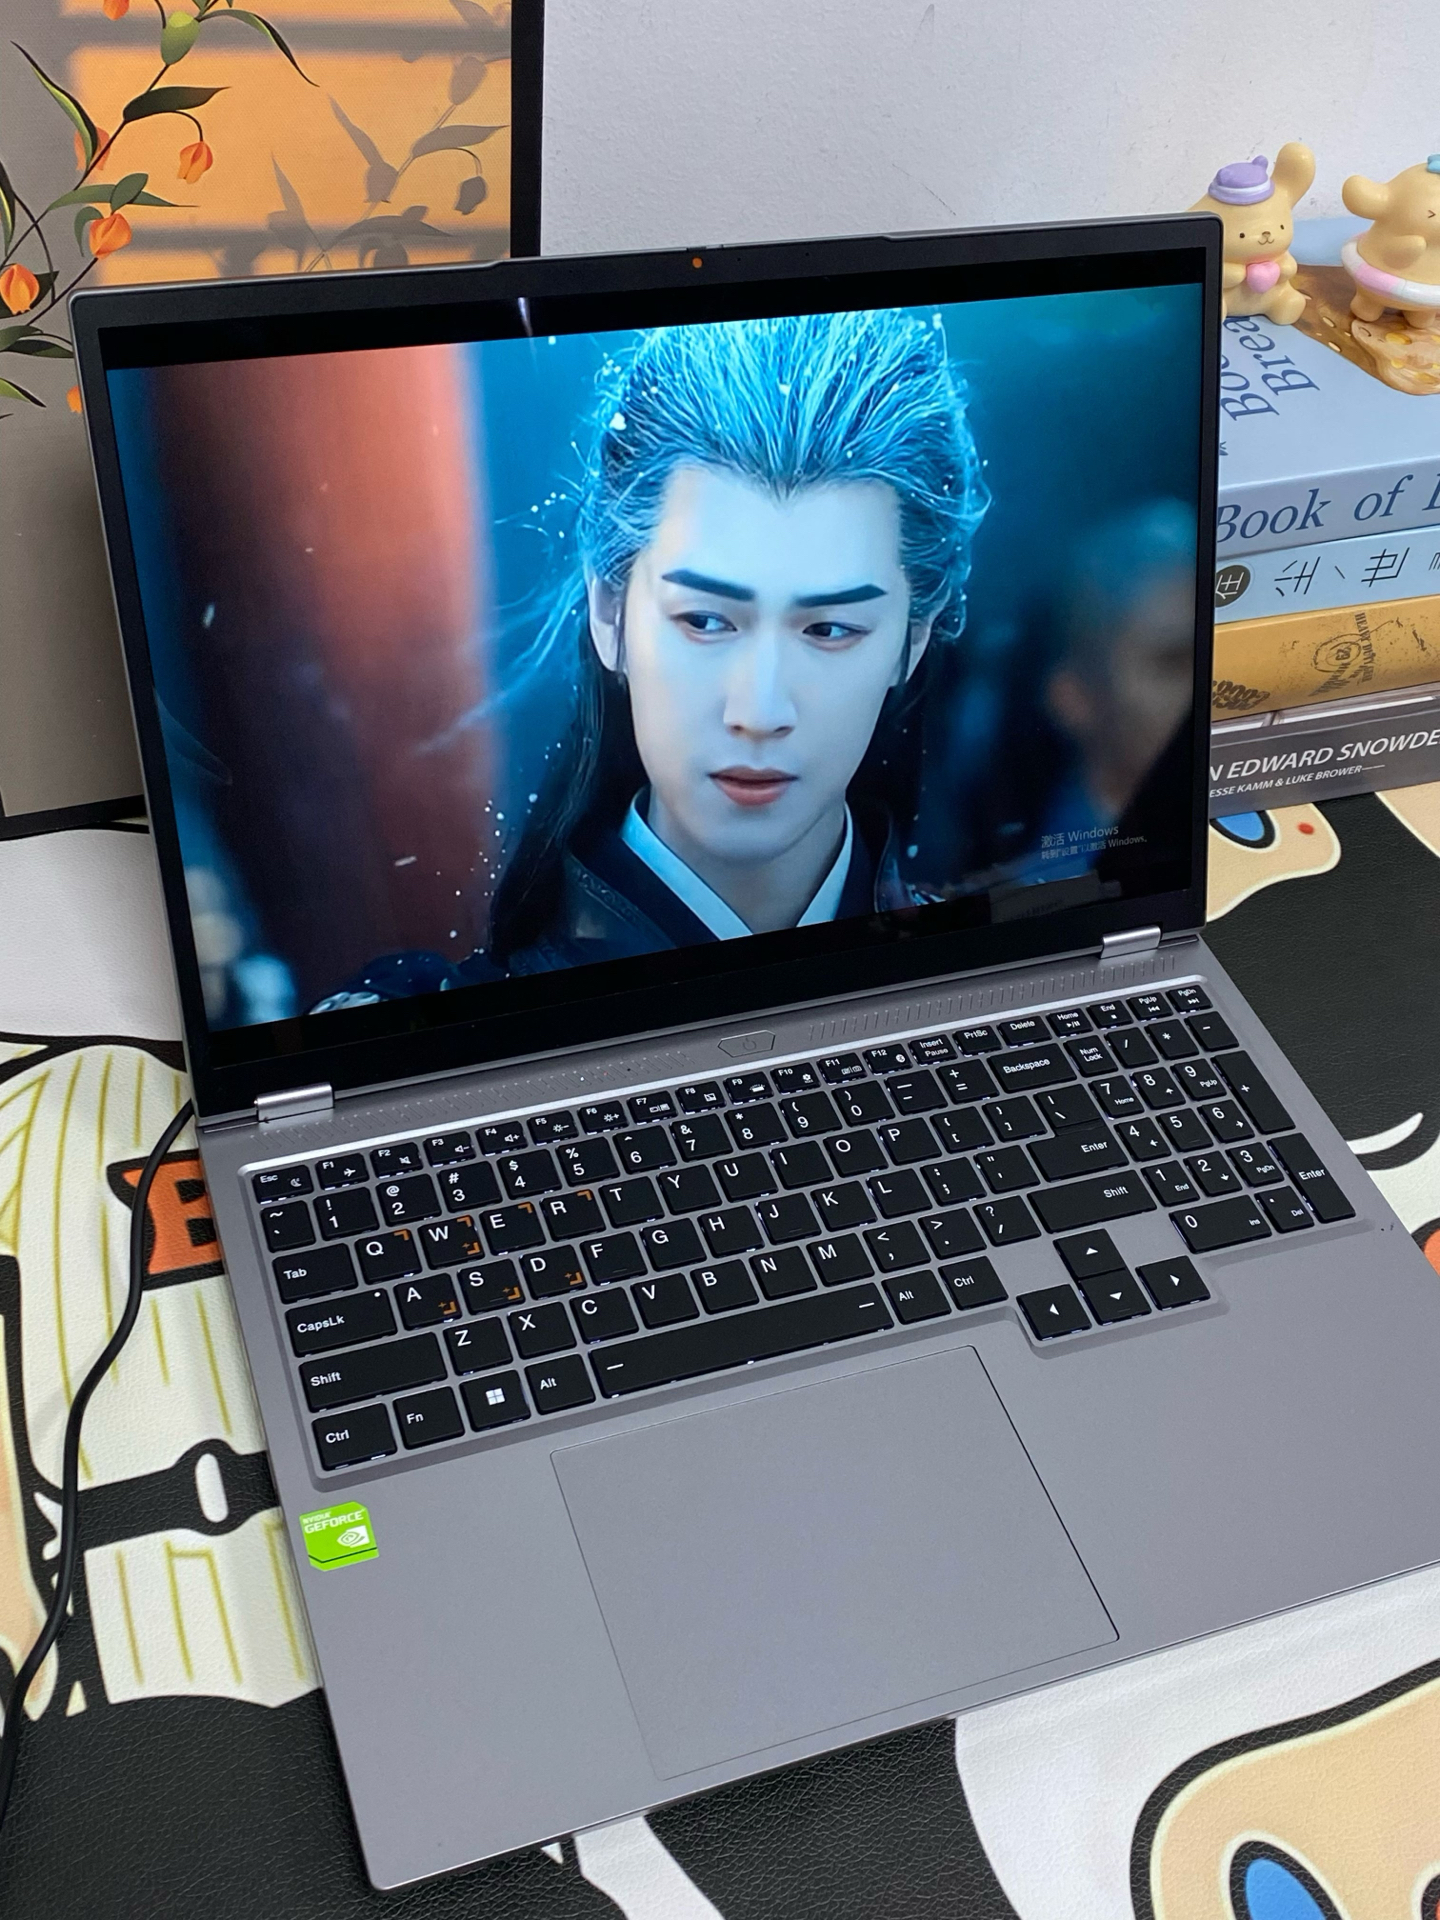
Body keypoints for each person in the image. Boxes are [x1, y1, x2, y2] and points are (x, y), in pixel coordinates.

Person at [314, 307, 990, 1008]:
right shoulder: (432, 1025)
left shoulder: (994, 965)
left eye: (828, 630)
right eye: (705, 620)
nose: (759, 711)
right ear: (610, 611)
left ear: (913, 638)